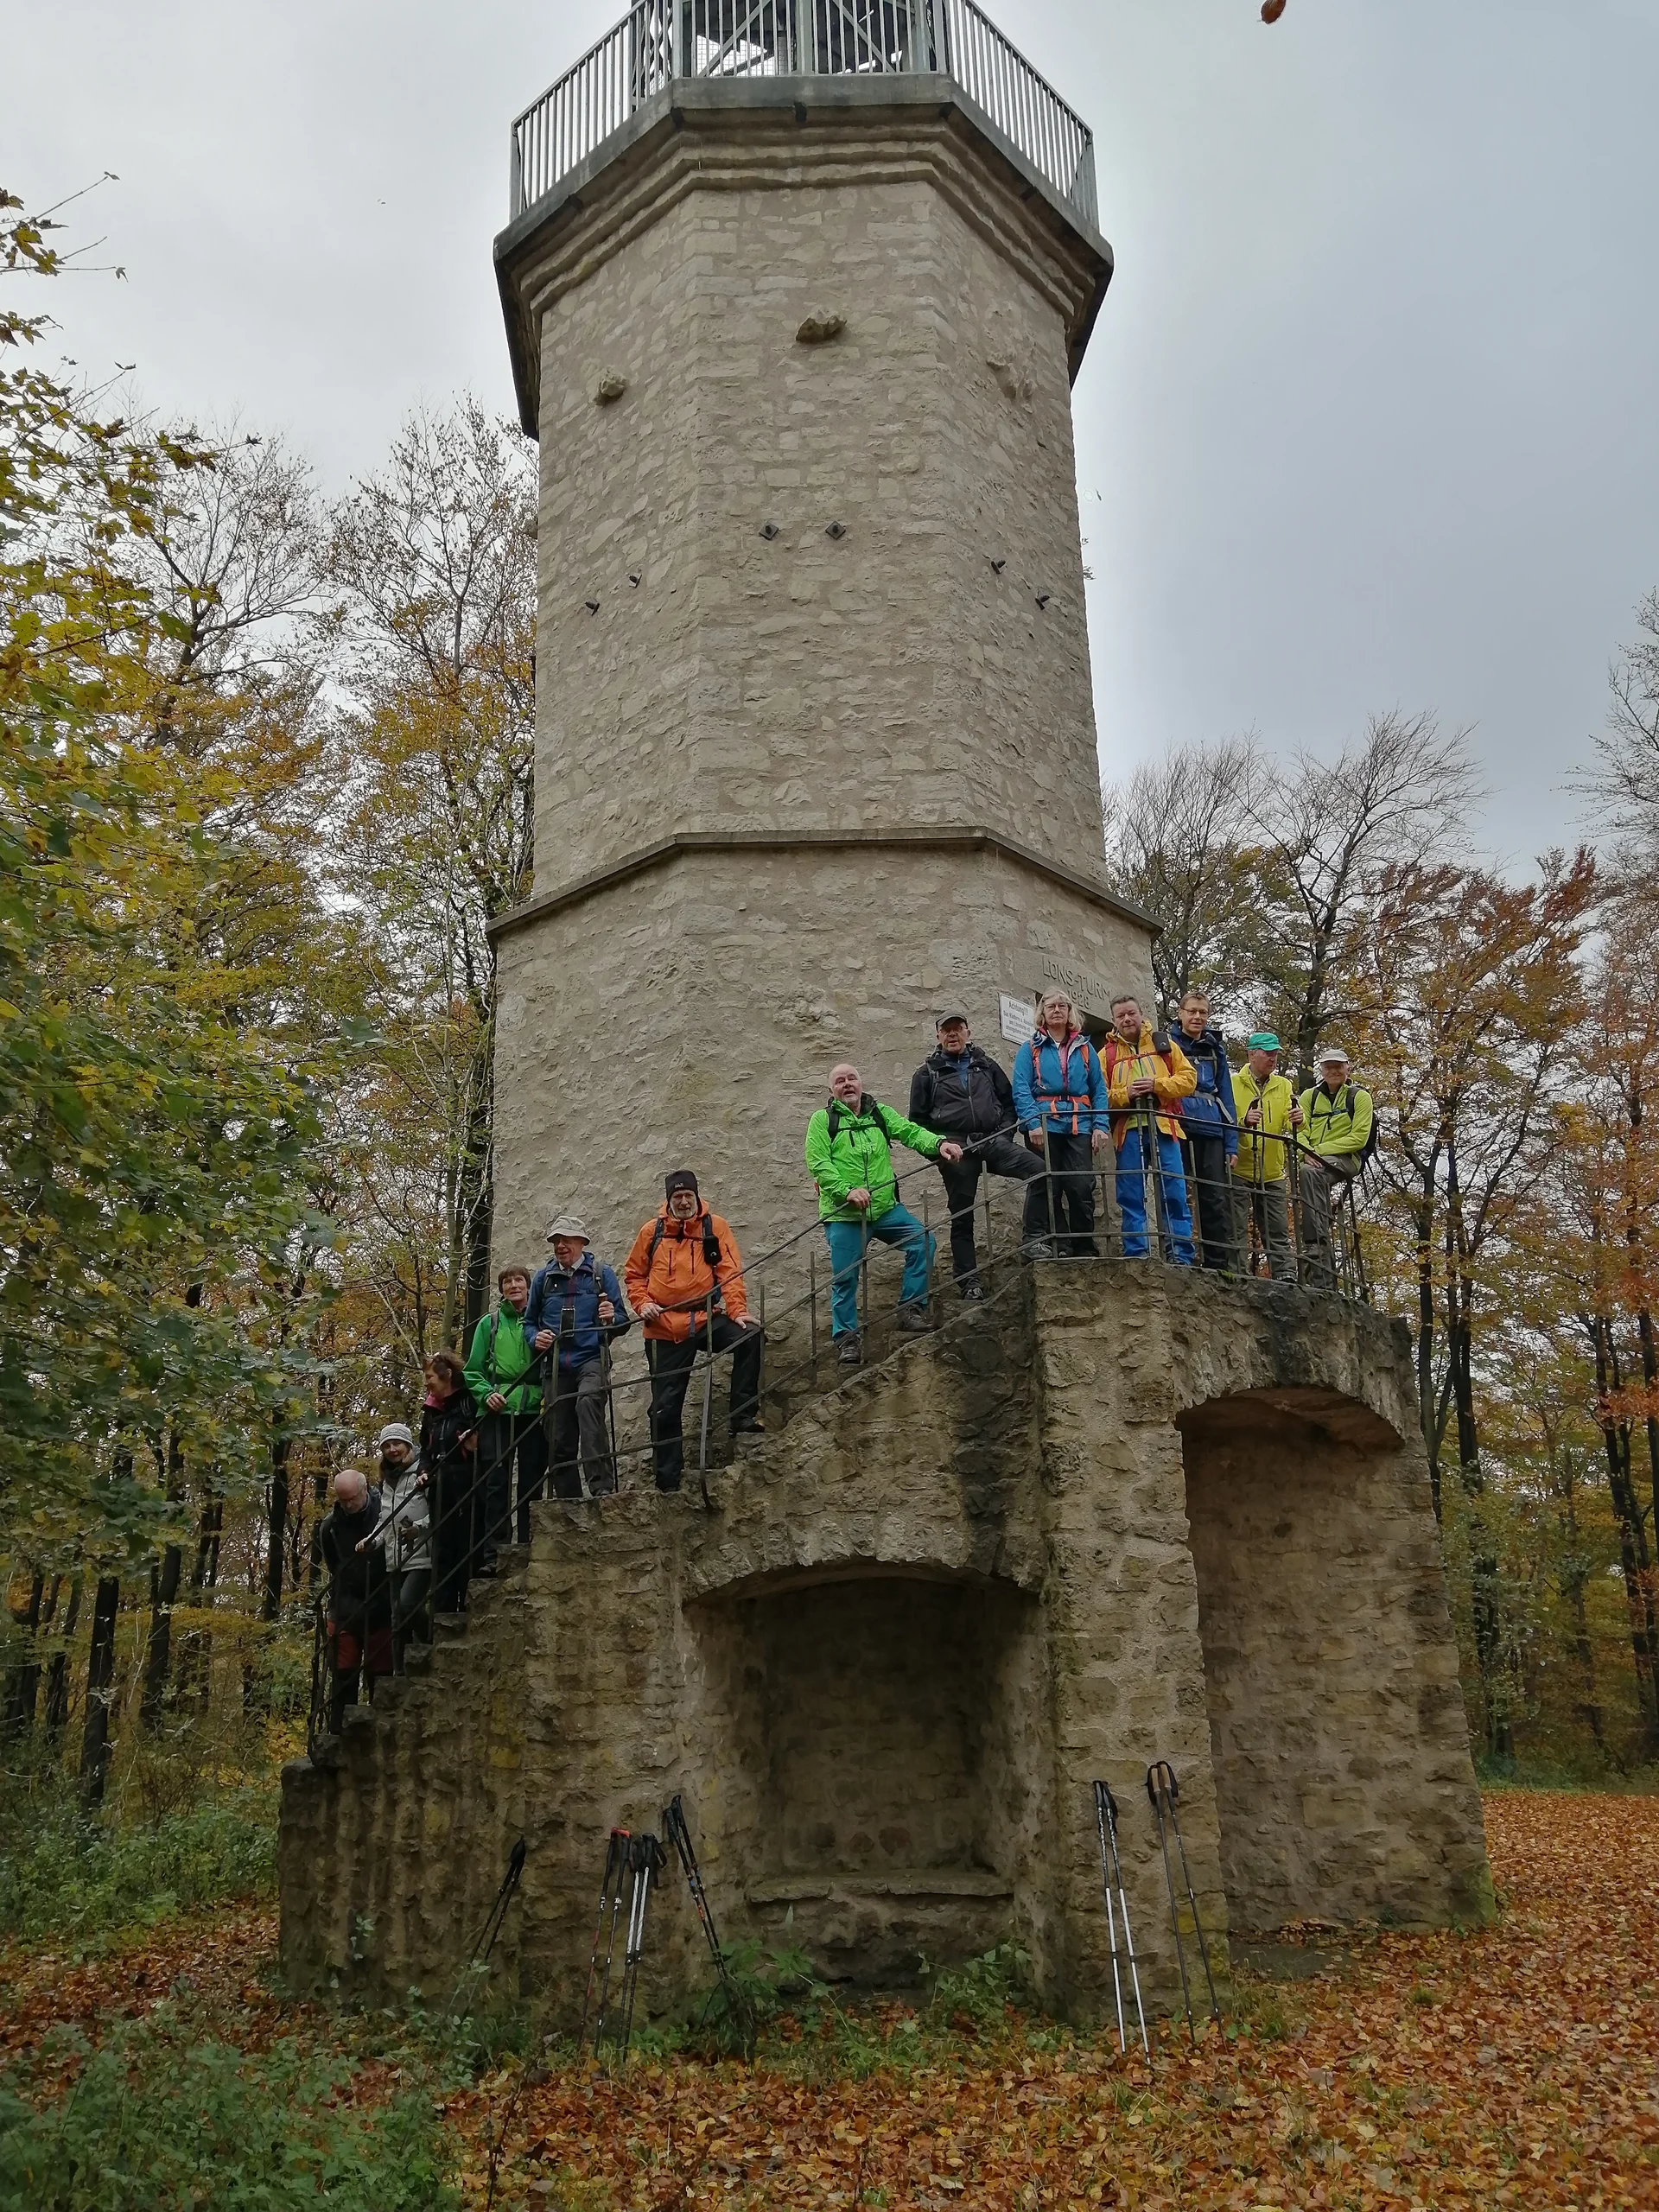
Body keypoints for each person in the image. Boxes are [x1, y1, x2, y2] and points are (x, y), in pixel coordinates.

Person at [804, 1064, 963, 1366]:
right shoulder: (822, 1121)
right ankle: (847, 1340)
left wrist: (939, 1143)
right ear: (832, 1091)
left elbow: (910, 1131)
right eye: (840, 1081)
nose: (847, 1084)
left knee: (923, 1242)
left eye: (852, 1079)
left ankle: (911, 1309)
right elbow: (819, 1163)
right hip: (845, 1214)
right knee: (845, 1278)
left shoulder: (879, 1113)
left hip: (886, 1209)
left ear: (861, 1084)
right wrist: (847, 1190)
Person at [625, 1170, 764, 1493]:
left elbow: (730, 1272)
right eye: (678, 1197)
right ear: (669, 1201)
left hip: (704, 1318)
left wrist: (737, 1311)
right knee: (665, 1407)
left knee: (750, 1336)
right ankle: (668, 1481)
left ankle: (742, 1416)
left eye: (689, 1195)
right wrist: (642, 1303)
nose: (684, 1202)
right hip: (663, 1327)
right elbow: (633, 1275)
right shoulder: (652, 1231)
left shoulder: (714, 1227)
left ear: (697, 1196)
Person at [908, 1011, 1042, 1299]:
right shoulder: (925, 1074)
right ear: (938, 1036)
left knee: (1040, 1170)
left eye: (958, 1028)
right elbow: (916, 1123)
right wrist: (939, 1150)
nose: (953, 1034)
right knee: (962, 1215)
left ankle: (1033, 1240)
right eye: (947, 1030)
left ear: (968, 1032)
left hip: (993, 1141)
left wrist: (1004, 1135)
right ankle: (969, 1282)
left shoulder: (986, 1065)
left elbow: (1009, 1103)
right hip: (957, 1151)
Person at [528, 1216, 630, 1497]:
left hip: (591, 1358)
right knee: (558, 1434)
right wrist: (535, 1337)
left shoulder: (600, 1273)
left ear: (582, 1242)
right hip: (555, 1365)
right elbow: (529, 1323)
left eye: (567, 1240)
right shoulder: (543, 1279)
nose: (560, 1245)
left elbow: (622, 1320)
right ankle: (568, 1499)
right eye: (556, 1241)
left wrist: (611, 1318)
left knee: (588, 1406)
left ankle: (601, 1488)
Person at [1011, 991, 1110, 1257]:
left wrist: (1101, 1125)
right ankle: (1057, 1245)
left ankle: (1083, 1245)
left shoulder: (1086, 1048)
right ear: (1042, 1012)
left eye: (1062, 1006)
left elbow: (1099, 1089)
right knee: (1048, 1185)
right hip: (1044, 1124)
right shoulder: (1029, 1048)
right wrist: (1033, 1124)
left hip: (1079, 1124)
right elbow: (1021, 1089)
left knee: (1080, 1186)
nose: (1056, 1010)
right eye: (1050, 1006)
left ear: (1070, 1012)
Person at [1103, 995, 1198, 1264]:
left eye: (1131, 1013)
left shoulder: (1164, 1045)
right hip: (1128, 1129)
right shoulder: (1106, 1055)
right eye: (1121, 1016)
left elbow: (1189, 1079)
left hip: (1165, 1126)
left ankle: (1180, 1255)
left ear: (1141, 1014)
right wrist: (1127, 1094)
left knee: (1175, 1192)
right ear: (1114, 1021)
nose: (1127, 1019)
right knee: (1131, 1194)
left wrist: (1157, 1084)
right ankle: (1137, 1254)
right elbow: (1100, 1095)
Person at [464, 1264, 547, 1557]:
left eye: (519, 1281)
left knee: (531, 1479)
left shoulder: (539, 1320)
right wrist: (487, 1395)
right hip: (497, 1410)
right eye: (508, 1282)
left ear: (528, 1286)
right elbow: (472, 1371)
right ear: (501, 1290)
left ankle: (528, 1544)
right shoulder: (491, 1323)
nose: (514, 1286)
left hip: (534, 1408)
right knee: (496, 1481)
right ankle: (494, 1551)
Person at [317, 1467, 392, 1732]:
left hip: (381, 1603)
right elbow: (334, 1565)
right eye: (343, 1499)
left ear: (364, 1490)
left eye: (352, 1498)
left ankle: (381, 1725)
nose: (348, 1504)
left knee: (381, 1670)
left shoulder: (382, 1511)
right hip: (346, 1606)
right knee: (343, 1671)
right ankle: (339, 1730)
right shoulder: (330, 1527)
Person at [1296, 1046, 1374, 1290]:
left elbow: (1359, 1138)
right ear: (1321, 1069)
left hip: (1347, 1160)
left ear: (1347, 1068)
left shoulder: (1359, 1097)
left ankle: (1315, 1241)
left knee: (1309, 1172)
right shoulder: (1308, 1097)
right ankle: (1320, 1255)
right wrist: (1306, 1152)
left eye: (1338, 1066)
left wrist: (1318, 1150)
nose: (1333, 1071)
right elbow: (1299, 1131)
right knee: (1310, 1173)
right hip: (1314, 1161)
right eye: (1328, 1066)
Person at [1174, 988, 1240, 1272]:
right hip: (1177, 1126)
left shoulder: (1216, 1048)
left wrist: (1232, 1143)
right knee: (1178, 1193)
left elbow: (1226, 1096)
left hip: (1211, 1127)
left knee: (1213, 1197)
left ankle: (1218, 1264)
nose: (1198, 1017)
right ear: (1180, 1014)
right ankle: (1180, 1257)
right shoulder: (1167, 1044)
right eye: (1192, 1011)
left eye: (1203, 1012)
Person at [1230, 1033, 1298, 1282]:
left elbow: (1290, 1124)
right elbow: (1224, 1123)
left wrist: (1297, 1122)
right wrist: (1243, 1122)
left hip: (1271, 1169)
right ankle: (1237, 1274)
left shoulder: (1284, 1085)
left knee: (1277, 1228)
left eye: (1275, 1053)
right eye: (1267, 1052)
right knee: (1236, 1226)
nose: (1272, 1058)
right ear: (1251, 1054)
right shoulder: (1232, 1083)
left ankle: (1286, 1275)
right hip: (1240, 1165)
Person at [421, 1349, 478, 1619]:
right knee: (442, 1549)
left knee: (465, 1542)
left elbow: (481, 1439)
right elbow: (425, 1447)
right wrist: (424, 1470)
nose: (427, 1382)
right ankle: (442, 1613)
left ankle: (468, 1605)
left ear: (448, 1375)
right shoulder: (430, 1411)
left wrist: (476, 1447)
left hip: (466, 1481)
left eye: (431, 1376)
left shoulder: (468, 1402)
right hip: (439, 1484)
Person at [372, 1421, 430, 1660]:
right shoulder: (386, 1481)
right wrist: (371, 1541)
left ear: (407, 1445)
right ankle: (402, 1670)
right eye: (386, 1445)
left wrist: (420, 1528)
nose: (392, 1449)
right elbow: (384, 1520)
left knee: (406, 1606)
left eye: (396, 1444)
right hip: (394, 1558)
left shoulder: (422, 1473)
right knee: (397, 1619)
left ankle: (431, 1638)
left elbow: (438, 1511)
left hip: (421, 1555)